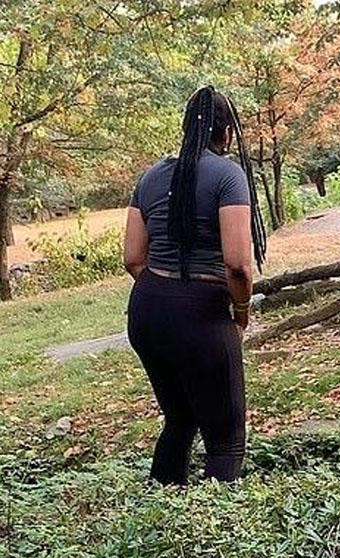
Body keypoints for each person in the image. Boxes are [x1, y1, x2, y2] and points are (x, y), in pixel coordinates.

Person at [123, 86, 268, 485]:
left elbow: (133, 258)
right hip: (202, 314)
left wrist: (165, 294)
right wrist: (240, 313)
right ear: (225, 133)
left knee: (180, 420)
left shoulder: (150, 177)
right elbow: (238, 265)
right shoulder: (228, 175)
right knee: (226, 440)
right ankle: (215, 530)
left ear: (186, 127)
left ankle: (164, 512)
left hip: (146, 312)